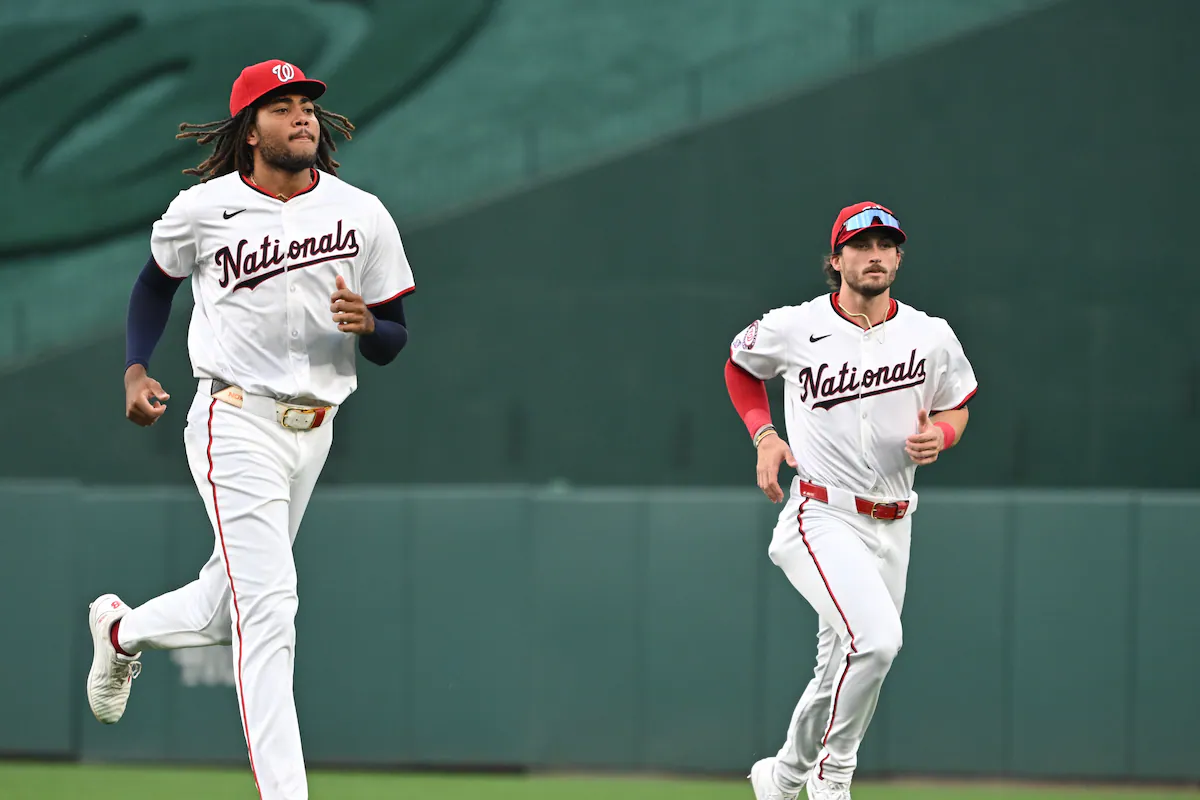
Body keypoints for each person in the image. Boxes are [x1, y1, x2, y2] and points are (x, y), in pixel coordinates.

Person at [85, 59, 415, 800]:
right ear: (250, 130)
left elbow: (394, 336)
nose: (301, 116)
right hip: (234, 418)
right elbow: (153, 284)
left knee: (226, 604)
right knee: (270, 610)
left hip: (316, 429)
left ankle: (120, 632)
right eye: (281, 105)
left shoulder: (362, 212)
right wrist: (135, 369)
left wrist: (370, 328)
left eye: (307, 105)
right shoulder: (204, 209)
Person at [727, 202, 977, 800]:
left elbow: (957, 404)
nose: (875, 255)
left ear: (899, 258)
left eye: (886, 245)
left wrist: (942, 435)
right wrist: (764, 434)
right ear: (836, 259)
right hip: (822, 512)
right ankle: (832, 777)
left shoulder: (930, 334)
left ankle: (782, 776)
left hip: (895, 521)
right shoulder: (795, 326)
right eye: (861, 245)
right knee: (879, 642)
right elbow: (740, 365)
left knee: (842, 666)